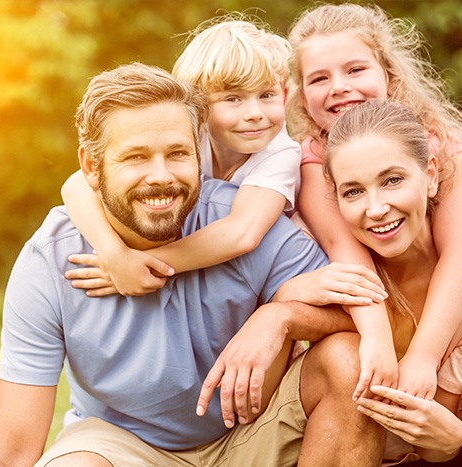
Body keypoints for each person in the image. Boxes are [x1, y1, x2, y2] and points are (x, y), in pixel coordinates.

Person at [0, 62, 385, 466]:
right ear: (90, 166)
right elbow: (13, 449)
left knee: (346, 359)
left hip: (251, 435)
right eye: (136, 157)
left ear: (198, 153)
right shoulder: (50, 260)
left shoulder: (241, 222)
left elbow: (363, 317)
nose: (161, 176)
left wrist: (279, 318)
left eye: (177, 154)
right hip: (123, 444)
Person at [286, 3, 462, 465]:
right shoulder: (312, 161)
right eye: (319, 78)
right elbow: (345, 250)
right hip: (399, 290)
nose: (339, 86)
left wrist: (421, 356)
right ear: (299, 95)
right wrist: (378, 336)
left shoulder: (433, 137)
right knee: (430, 421)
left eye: (355, 68)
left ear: (389, 74)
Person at [59, 18, 388, 306]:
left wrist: (142, 263)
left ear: (284, 96)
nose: (255, 113)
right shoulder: (188, 138)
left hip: (262, 272)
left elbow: (242, 234)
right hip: (206, 273)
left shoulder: (280, 153)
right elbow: (76, 185)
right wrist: (115, 257)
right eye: (233, 99)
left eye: (266, 95)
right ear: (199, 106)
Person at [319, 98, 462, 465]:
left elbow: (429, 439)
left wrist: (452, 437)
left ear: (431, 175)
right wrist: (281, 309)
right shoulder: (332, 266)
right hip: (358, 453)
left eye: (392, 180)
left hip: (441, 454)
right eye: (353, 191)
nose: (375, 208)